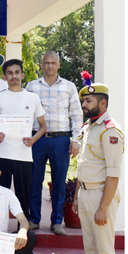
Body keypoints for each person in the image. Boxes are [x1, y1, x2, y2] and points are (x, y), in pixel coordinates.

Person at [72, 82, 124, 254]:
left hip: (102, 195)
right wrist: (76, 196)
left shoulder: (110, 130)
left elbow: (113, 173)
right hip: (85, 193)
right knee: (91, 252)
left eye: (88, 101)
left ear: (102, 103)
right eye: (83, 101)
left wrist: (103, 207)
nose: (84, 104)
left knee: (104, 251)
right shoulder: (88, 127)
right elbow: (82, 166)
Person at [25, 51, 83, 235]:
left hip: (61, 139)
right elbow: (25, 112)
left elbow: (76, 114)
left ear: (58, 65)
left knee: (59, 182)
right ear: (41, 65)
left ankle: (57, 221)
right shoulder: (32, 86)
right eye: (46, 63)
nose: (49, 66)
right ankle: (34, 219)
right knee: (35, 180)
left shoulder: (69, 86)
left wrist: (75, 140)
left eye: (53, 63)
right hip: (37, 140)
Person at [0, 59, 47, 219]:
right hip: (2, 153)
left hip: (23, 155)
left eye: (17, 72)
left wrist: (34, 139)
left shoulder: (33, 98)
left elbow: (43, 126)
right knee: (0, 195)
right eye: (10, 73)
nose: (13, 76)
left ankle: (22, 231)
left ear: (22, 75)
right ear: (4, 76)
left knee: (23, 196)